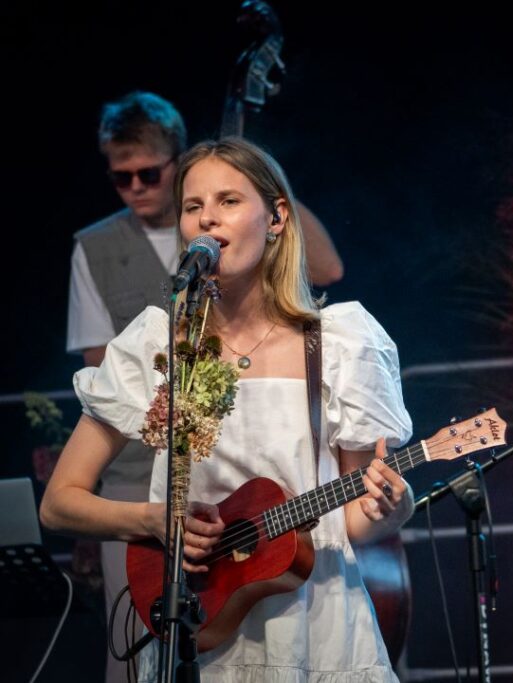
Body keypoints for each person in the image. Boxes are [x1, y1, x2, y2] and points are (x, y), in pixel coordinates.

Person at [43, 137, 410, 682]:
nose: (207, 219)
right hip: (200, 624)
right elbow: (59, 503)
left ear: (277, 217)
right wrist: (154, 520)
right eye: (193, 207)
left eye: (229, 202)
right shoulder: (159, 342)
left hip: (316, 626)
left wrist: (390, 507)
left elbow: (356, 521)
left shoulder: (338, 343)